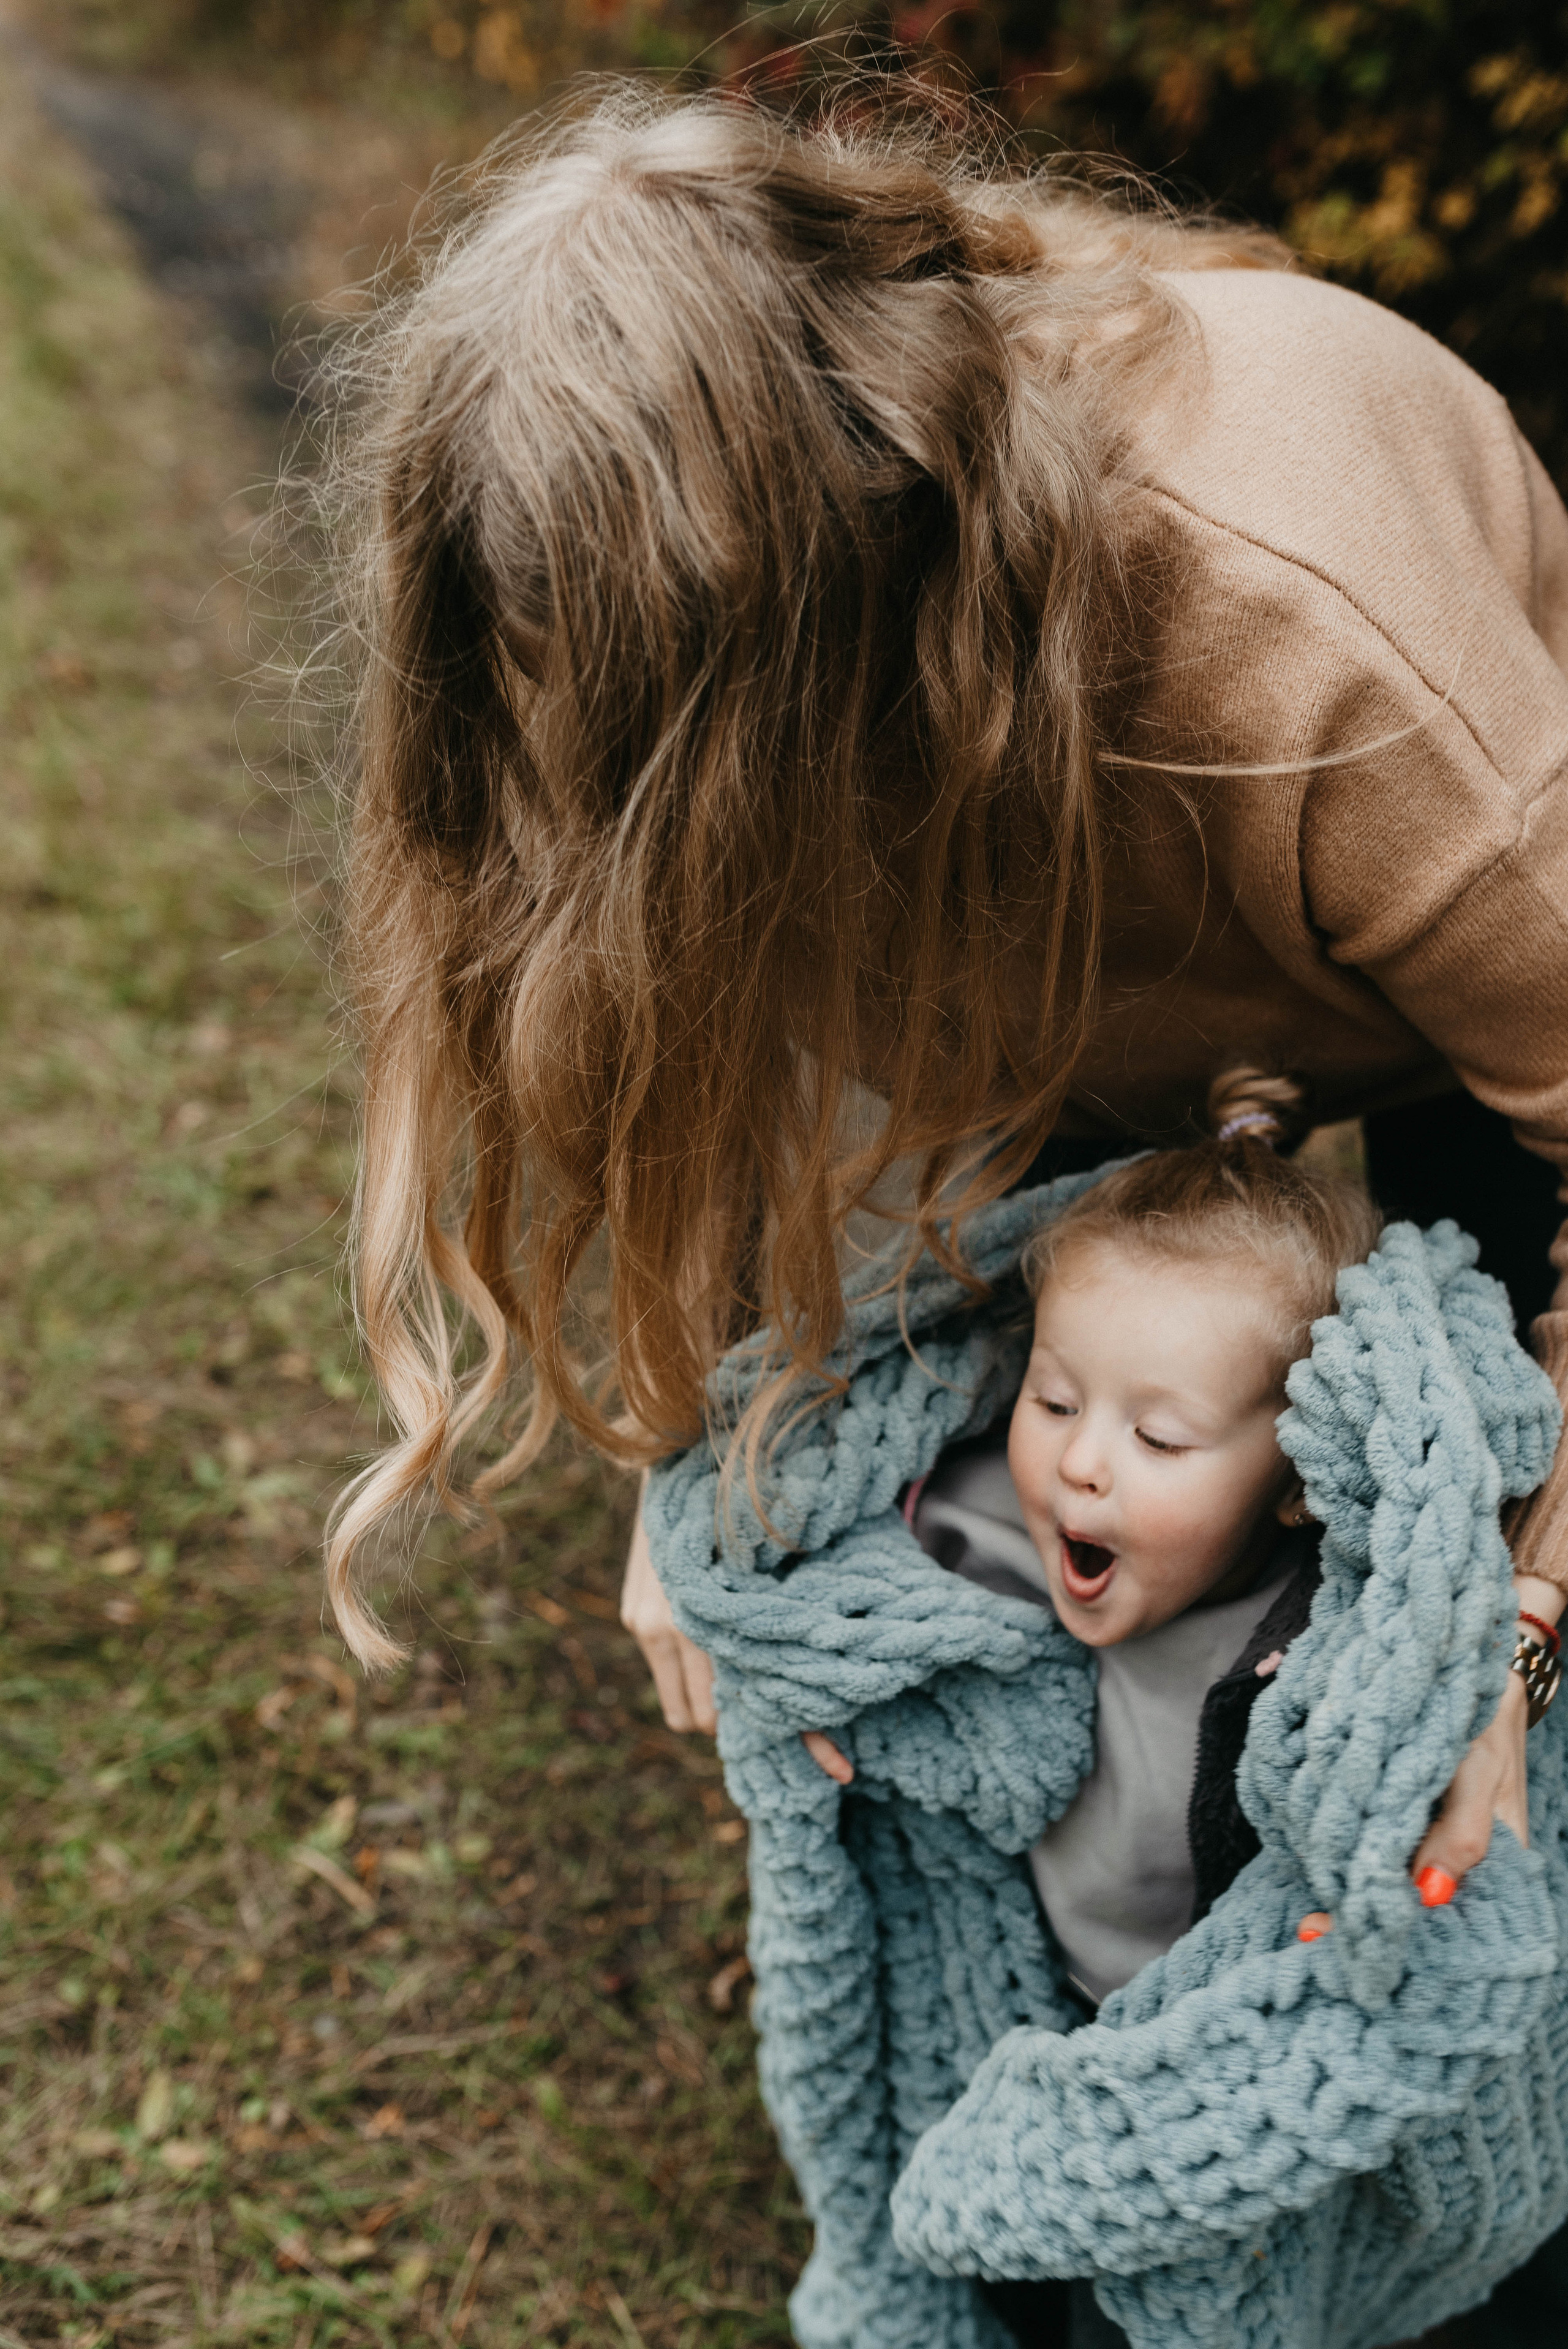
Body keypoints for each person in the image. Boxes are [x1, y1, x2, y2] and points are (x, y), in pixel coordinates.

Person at [316, 81, 1568, 2340]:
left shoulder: (1329, 654)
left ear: (859, 601)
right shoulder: (787, 737)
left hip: (1478, 1010)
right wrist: (713, 1456)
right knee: (1077, 1499)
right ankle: (1099, 1960)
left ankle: (1454, 2197)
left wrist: (1518, 1627)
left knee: (1459, 1699)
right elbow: (711, 1010)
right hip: (1079, 956)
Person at [798, 1073, 1562, 2348]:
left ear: (1293, 1487)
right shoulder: (972, 1533)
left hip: (1214, 2056)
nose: (1082, 1460)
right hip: (1041, 2014)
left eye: (1157, 1439)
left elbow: (1403, 1908)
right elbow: (830, 1565)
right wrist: (838, 1685)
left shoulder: (1322, 1665)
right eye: (1054, 1400)